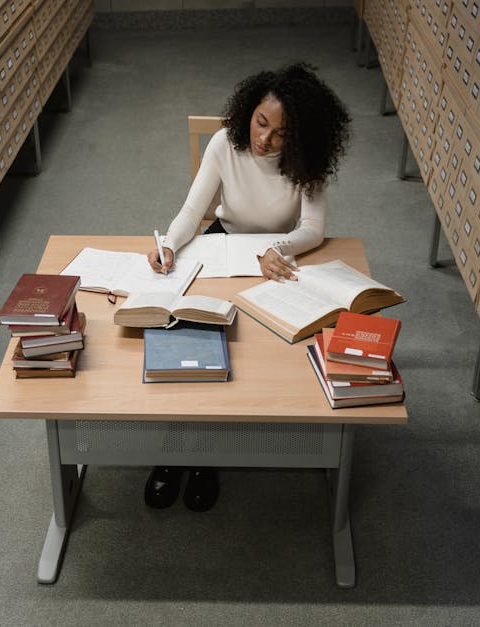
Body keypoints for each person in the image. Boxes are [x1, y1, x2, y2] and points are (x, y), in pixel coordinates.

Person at [144, 62, 352, 512]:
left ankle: (206, 455)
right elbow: (191, 210)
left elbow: (313, 229)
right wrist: (170, 246)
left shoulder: (306, 161)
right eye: (261, 123)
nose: (265, 140)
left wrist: (276, 248)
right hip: (223, 244)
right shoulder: (224, 143)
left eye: (280, 134)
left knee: (254, 354)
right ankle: (171, 448)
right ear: (249, 112)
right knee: (193, 336)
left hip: (274, 257)